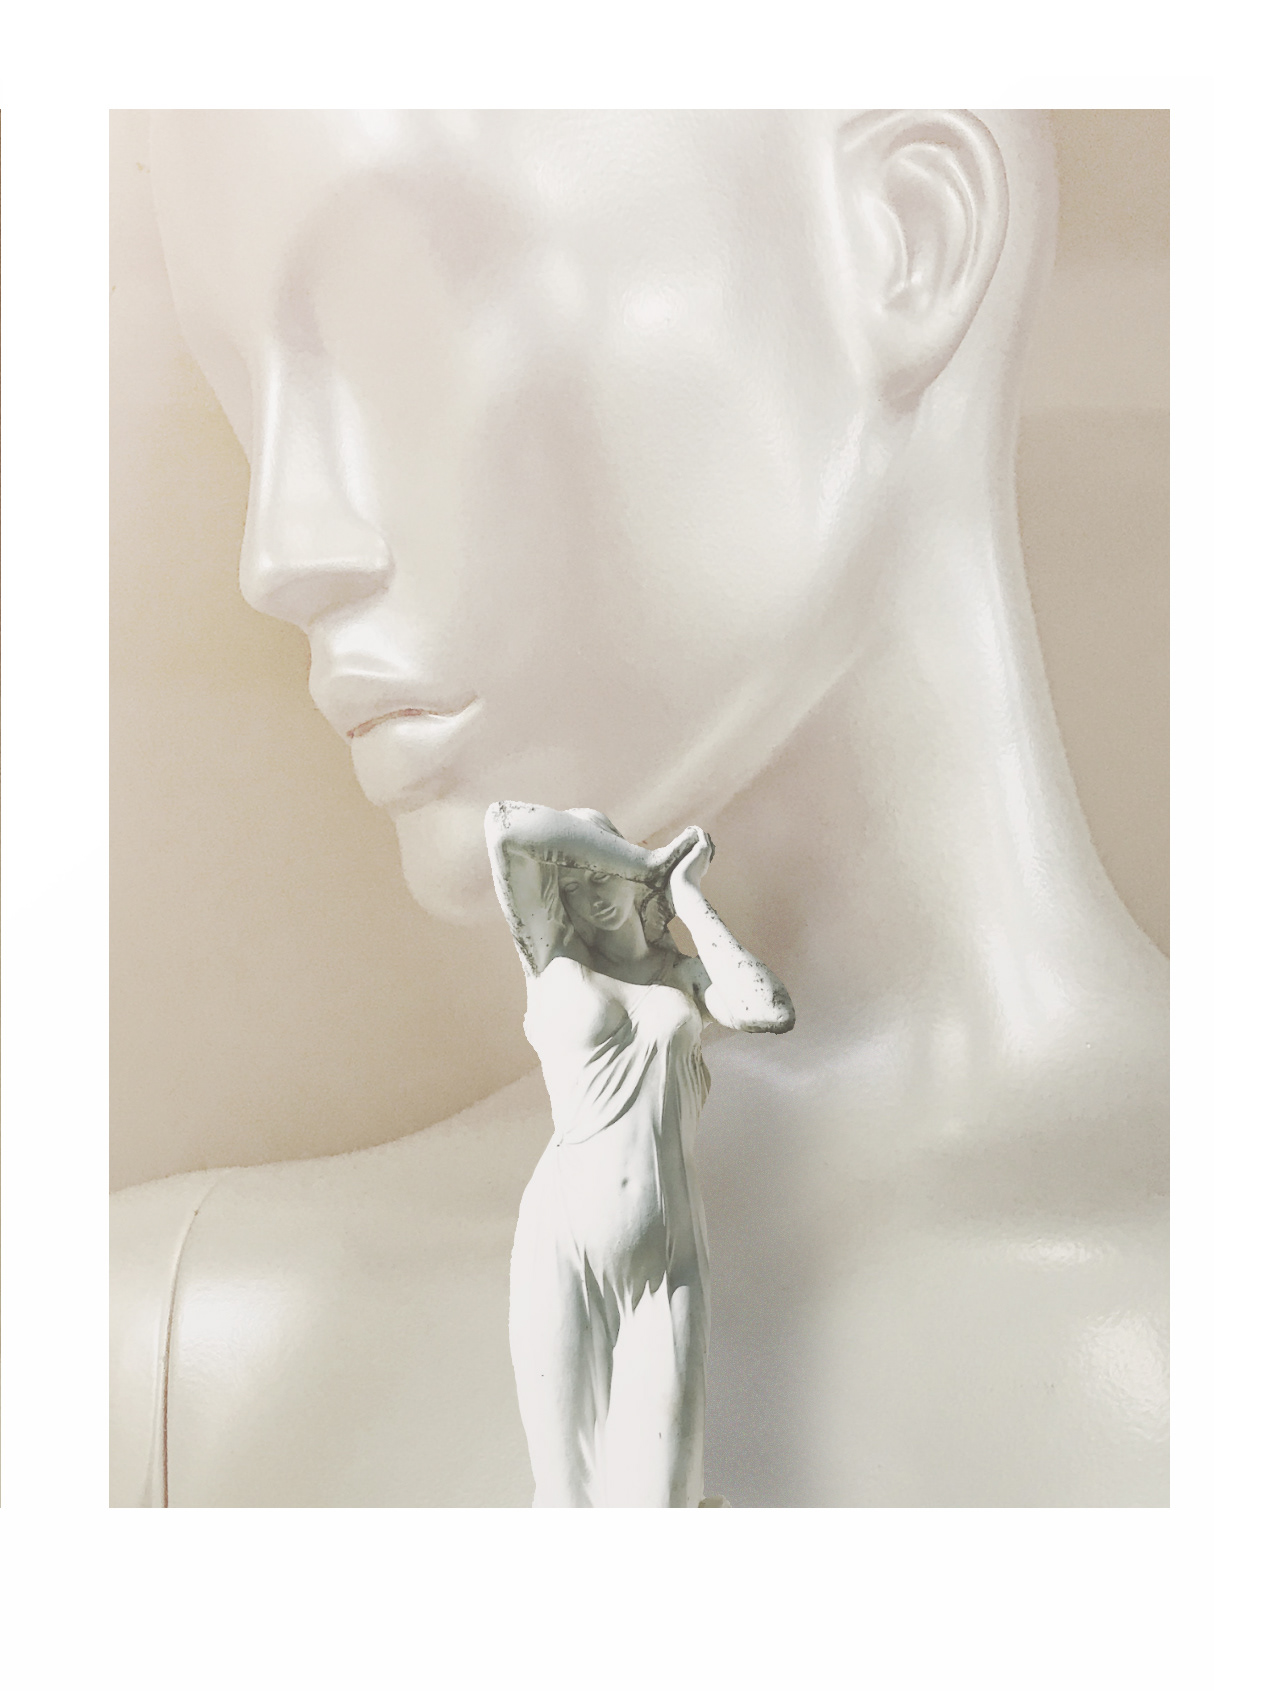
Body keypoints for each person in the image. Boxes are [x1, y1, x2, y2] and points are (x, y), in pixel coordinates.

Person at [112, 110, 1167, 1507]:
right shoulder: (173, 1354)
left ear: (902, 235)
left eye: (405, 324)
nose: (281, 549)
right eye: (239, 393)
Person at [486, 802, 793, 1506]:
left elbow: (767, 1008)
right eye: (575, 878)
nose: (590, 890)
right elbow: (505, 826)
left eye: (604, 872)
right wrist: (643, 862)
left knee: (663, 1503)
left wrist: (684, 893)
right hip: (559, 1243)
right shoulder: (552, 959)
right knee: (565, 1501)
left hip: (665, 1258)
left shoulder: (683, 979)